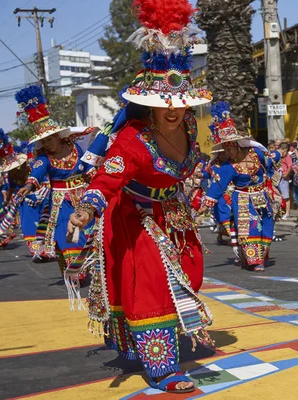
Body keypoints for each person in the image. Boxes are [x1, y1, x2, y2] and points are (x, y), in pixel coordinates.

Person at [67, 0, 213, 393]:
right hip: (137, 218)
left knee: (186, 277)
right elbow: (108, 178)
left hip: (175, 217)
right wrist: (86, 207)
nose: (173, 112)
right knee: (150, 283)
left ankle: (140, 341)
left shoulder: (189, 130)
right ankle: (163, 367)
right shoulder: (133, 139)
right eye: (163, 105)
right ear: (147, 102)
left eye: (179, 106)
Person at [14, 85, 94, 280]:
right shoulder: (44, 158)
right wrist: (28, 185)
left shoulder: (76, 148)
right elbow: (38, 173)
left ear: (58, 136)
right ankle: (76, 272)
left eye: (49, 139)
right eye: (43, 141)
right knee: (67, 236)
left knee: (90, 233)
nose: (47, 143)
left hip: (83, 196)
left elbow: (87, 167)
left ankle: (89, 267)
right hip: (61, 202)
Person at [200, 102, 275, 272]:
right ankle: (255, 261)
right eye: (224, 147)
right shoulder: (228, 167)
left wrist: (270, 184)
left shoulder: (256, 154)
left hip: (262, 196)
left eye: (228, 147)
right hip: (243, 199)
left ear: (236, 144)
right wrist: (206, 204)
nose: (226, 151)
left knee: (268, 224)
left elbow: (270, 165)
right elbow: (218, 186)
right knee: (251, 226)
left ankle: (261, 256)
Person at [277, 142, 293, 219]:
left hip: (284, 178)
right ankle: (280, 211)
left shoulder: (287, 156)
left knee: (286, 196)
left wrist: (286, 173)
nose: (284, 153)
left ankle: (287, 213)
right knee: (278, 195)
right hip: (277, 177)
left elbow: (290, 166)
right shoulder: (277, 155)